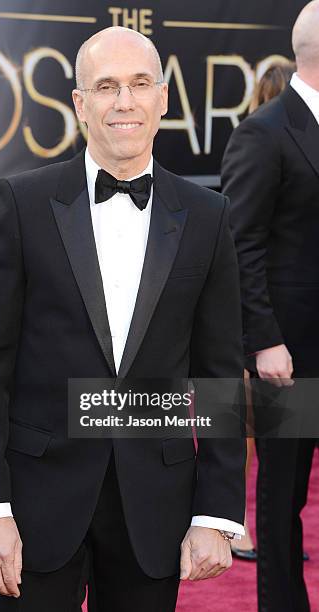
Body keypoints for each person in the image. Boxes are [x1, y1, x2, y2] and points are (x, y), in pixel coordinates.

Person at [0, 26, 245, 612]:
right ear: (80, 104)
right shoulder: (24, 202)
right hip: (36, 504)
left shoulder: (208, 216)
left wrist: (217, 513)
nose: (125, 101)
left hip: (155, 506)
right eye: (106, 86)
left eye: (140, 84)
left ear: (164, 98)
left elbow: (219, 378)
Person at [221, 2, 319, 610]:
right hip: (290, 351)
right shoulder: (264, 132)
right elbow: (240, 243)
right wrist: (263, 340)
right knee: (283, 496)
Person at [231, 58, 296, 563]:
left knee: (247, 433)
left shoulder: (255, 139)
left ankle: (242, 525)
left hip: (257, 320)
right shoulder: (263, 142)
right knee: (248, 432)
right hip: (260, 321)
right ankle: (236, 524)